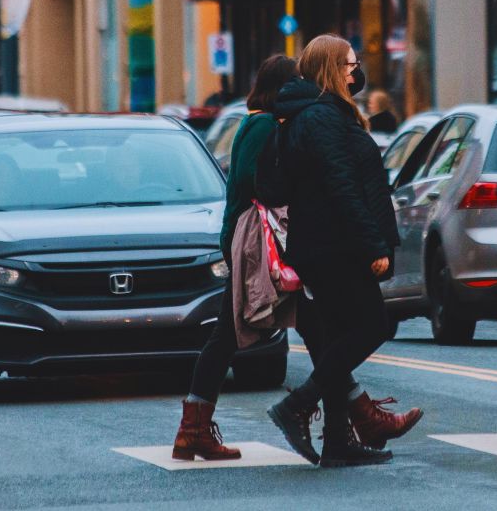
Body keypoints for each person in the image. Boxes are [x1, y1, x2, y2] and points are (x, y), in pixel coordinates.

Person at [172, 54, 420, 463]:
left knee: (317, 331)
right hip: (259, 245)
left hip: (260, 243)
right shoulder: (263, 125)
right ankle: (194, 429)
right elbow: (263, 186)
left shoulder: (260, 123)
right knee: (231, 335)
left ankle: (359, 418)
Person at [267, 35, 410, 468]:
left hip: (326, 245)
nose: (356, 71)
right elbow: (342, 186)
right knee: (372, 326)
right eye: (349, 64)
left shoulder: (319, 115)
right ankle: (298, 405)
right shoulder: (320, 118)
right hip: (336, 247)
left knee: (334, 341)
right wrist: (372, 243)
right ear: (331, 68)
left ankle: (336, 443)